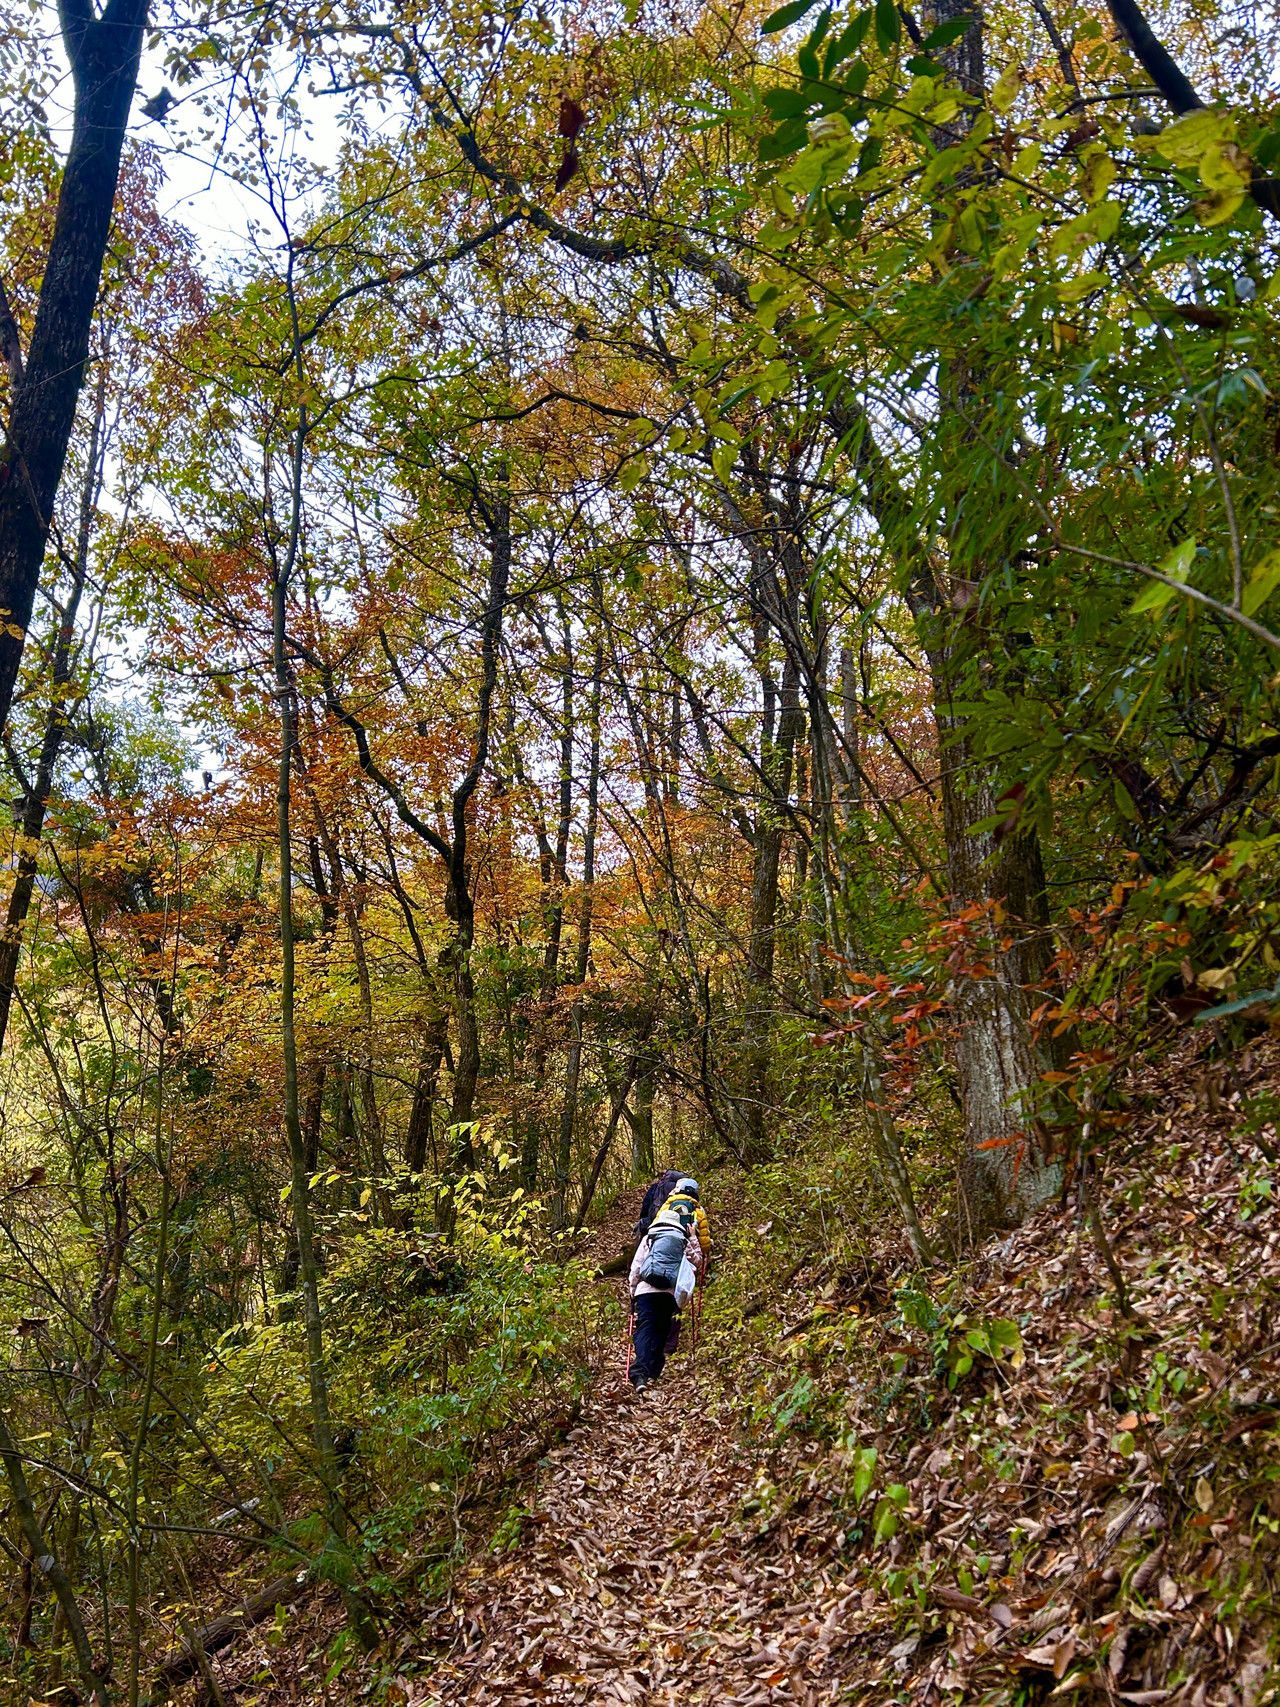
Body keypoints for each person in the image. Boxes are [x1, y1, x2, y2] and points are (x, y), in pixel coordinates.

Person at [627, 1177, 705, 1390]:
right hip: (670, 1292)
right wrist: (692, 1237)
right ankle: (652, 1371)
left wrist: (633, 1291)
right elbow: (697, 1262)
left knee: (645, 1328)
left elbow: (636, 1267)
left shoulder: (650, 1238)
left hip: (646, 1289)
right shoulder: (683, 1238)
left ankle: (639, 1373)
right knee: (662, 1329)